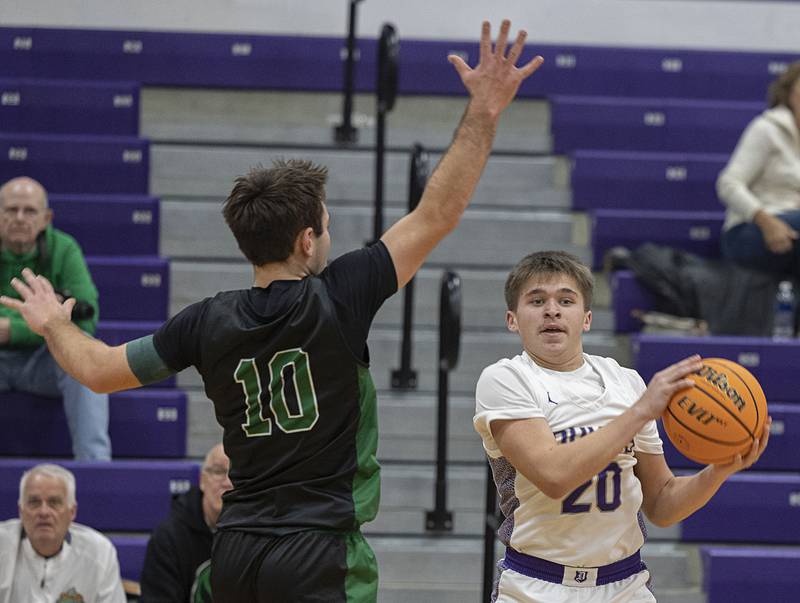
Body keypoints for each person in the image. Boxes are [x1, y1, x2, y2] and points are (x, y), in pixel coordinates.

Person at [1, 20, 544, 602]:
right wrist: (485, 108)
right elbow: (437, 212)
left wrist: (54, 323)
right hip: (320, 549)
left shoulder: (205, 320)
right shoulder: (340, 295)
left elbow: (100, 371)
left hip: (235, 551)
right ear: (307, 241)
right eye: (327, 225)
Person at [474, 250, 771, 603]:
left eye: (565, 300)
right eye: (536, 300)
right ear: (512, 319)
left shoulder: (626, 382)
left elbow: (661, 503)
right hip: (536, 585)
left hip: (625, 585)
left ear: (586, 319)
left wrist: (720, 469)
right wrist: (641, 412)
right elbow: (553, 475)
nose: (551, 310)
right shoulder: (506, 379)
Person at [0, 176, 111, 461]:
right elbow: (65, 320)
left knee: (85, 351)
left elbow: (87, 319)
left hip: (44, 362)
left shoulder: (64, 249)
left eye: (29, 211)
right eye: (11, 210)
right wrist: (49, 321)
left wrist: (11, 329)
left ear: (46, 218)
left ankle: (95, 467)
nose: (20, 218)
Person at [717, 61, 800, 276]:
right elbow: (728, 184)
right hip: (752, 231)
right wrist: (766, 221)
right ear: (790, 93)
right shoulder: (766, 129)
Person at [0, 463, 125, 603]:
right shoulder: (3, 544)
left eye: (54, 502)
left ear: (72, 512)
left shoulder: (100, 553)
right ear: (21, 511)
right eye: (34, 502)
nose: (44, 512)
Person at [140, 443, 232, 603]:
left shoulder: (261, 534)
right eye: (219, 472)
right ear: (202, 480)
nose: (227, 482)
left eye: (236, 475)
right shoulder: (169, 537)